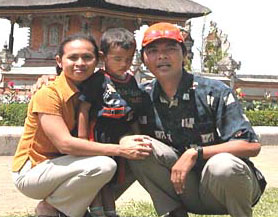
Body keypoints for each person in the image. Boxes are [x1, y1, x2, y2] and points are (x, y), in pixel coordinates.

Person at [122, 22, 266, 217]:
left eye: (170, 49)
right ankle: (174, 213)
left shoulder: (214, 92)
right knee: (137, 145)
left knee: (223, 165)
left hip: (222, 186)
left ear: (185, 55)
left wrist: (195, 153)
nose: (162, 56)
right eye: (153, 50)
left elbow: (250, 146)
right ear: (144, 59)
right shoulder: (141, 96)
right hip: (183, 189)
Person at [11, 34, 152, 217]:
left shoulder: (94, 88)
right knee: (104, 165)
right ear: (59, 61)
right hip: (36, 170)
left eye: (87, 57)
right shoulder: (48, 94)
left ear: (97, 60)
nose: (80, 63)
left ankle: (82, 209)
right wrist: (120, 149)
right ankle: (51, 207)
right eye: (72, 57)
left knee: (131, 162)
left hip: (66, 165)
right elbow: (65, 144)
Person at [78, 28, 145, 217]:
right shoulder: (98, 80)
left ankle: (111, 211)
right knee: (100, 176)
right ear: (103, 56)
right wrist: (83, 140)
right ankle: (97, 211)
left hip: (120, 135)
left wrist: (138, 135)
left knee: (112, 177)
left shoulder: (131, 81)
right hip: (99, 133)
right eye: (117, 59)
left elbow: (132, 114)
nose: (124, 64)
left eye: (129, 59)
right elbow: (84, 108)